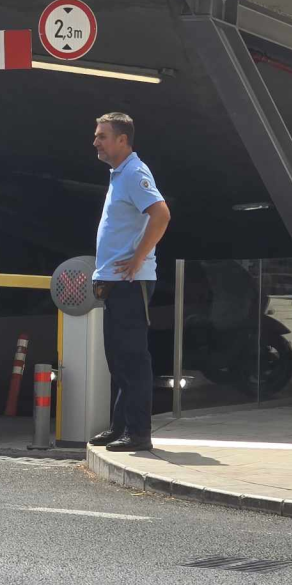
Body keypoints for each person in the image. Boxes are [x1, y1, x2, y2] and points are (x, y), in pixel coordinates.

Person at [87, 113, 171, 452]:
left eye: (102, 136)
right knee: (118, 359)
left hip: (130, 283)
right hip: (115, 282)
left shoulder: (135, 172)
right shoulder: (118, 174)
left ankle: (139, 434)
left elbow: (161, 214)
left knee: (133, 359)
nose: (96, 142)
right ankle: (120, 426)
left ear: (123, 140)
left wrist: (138, 258)